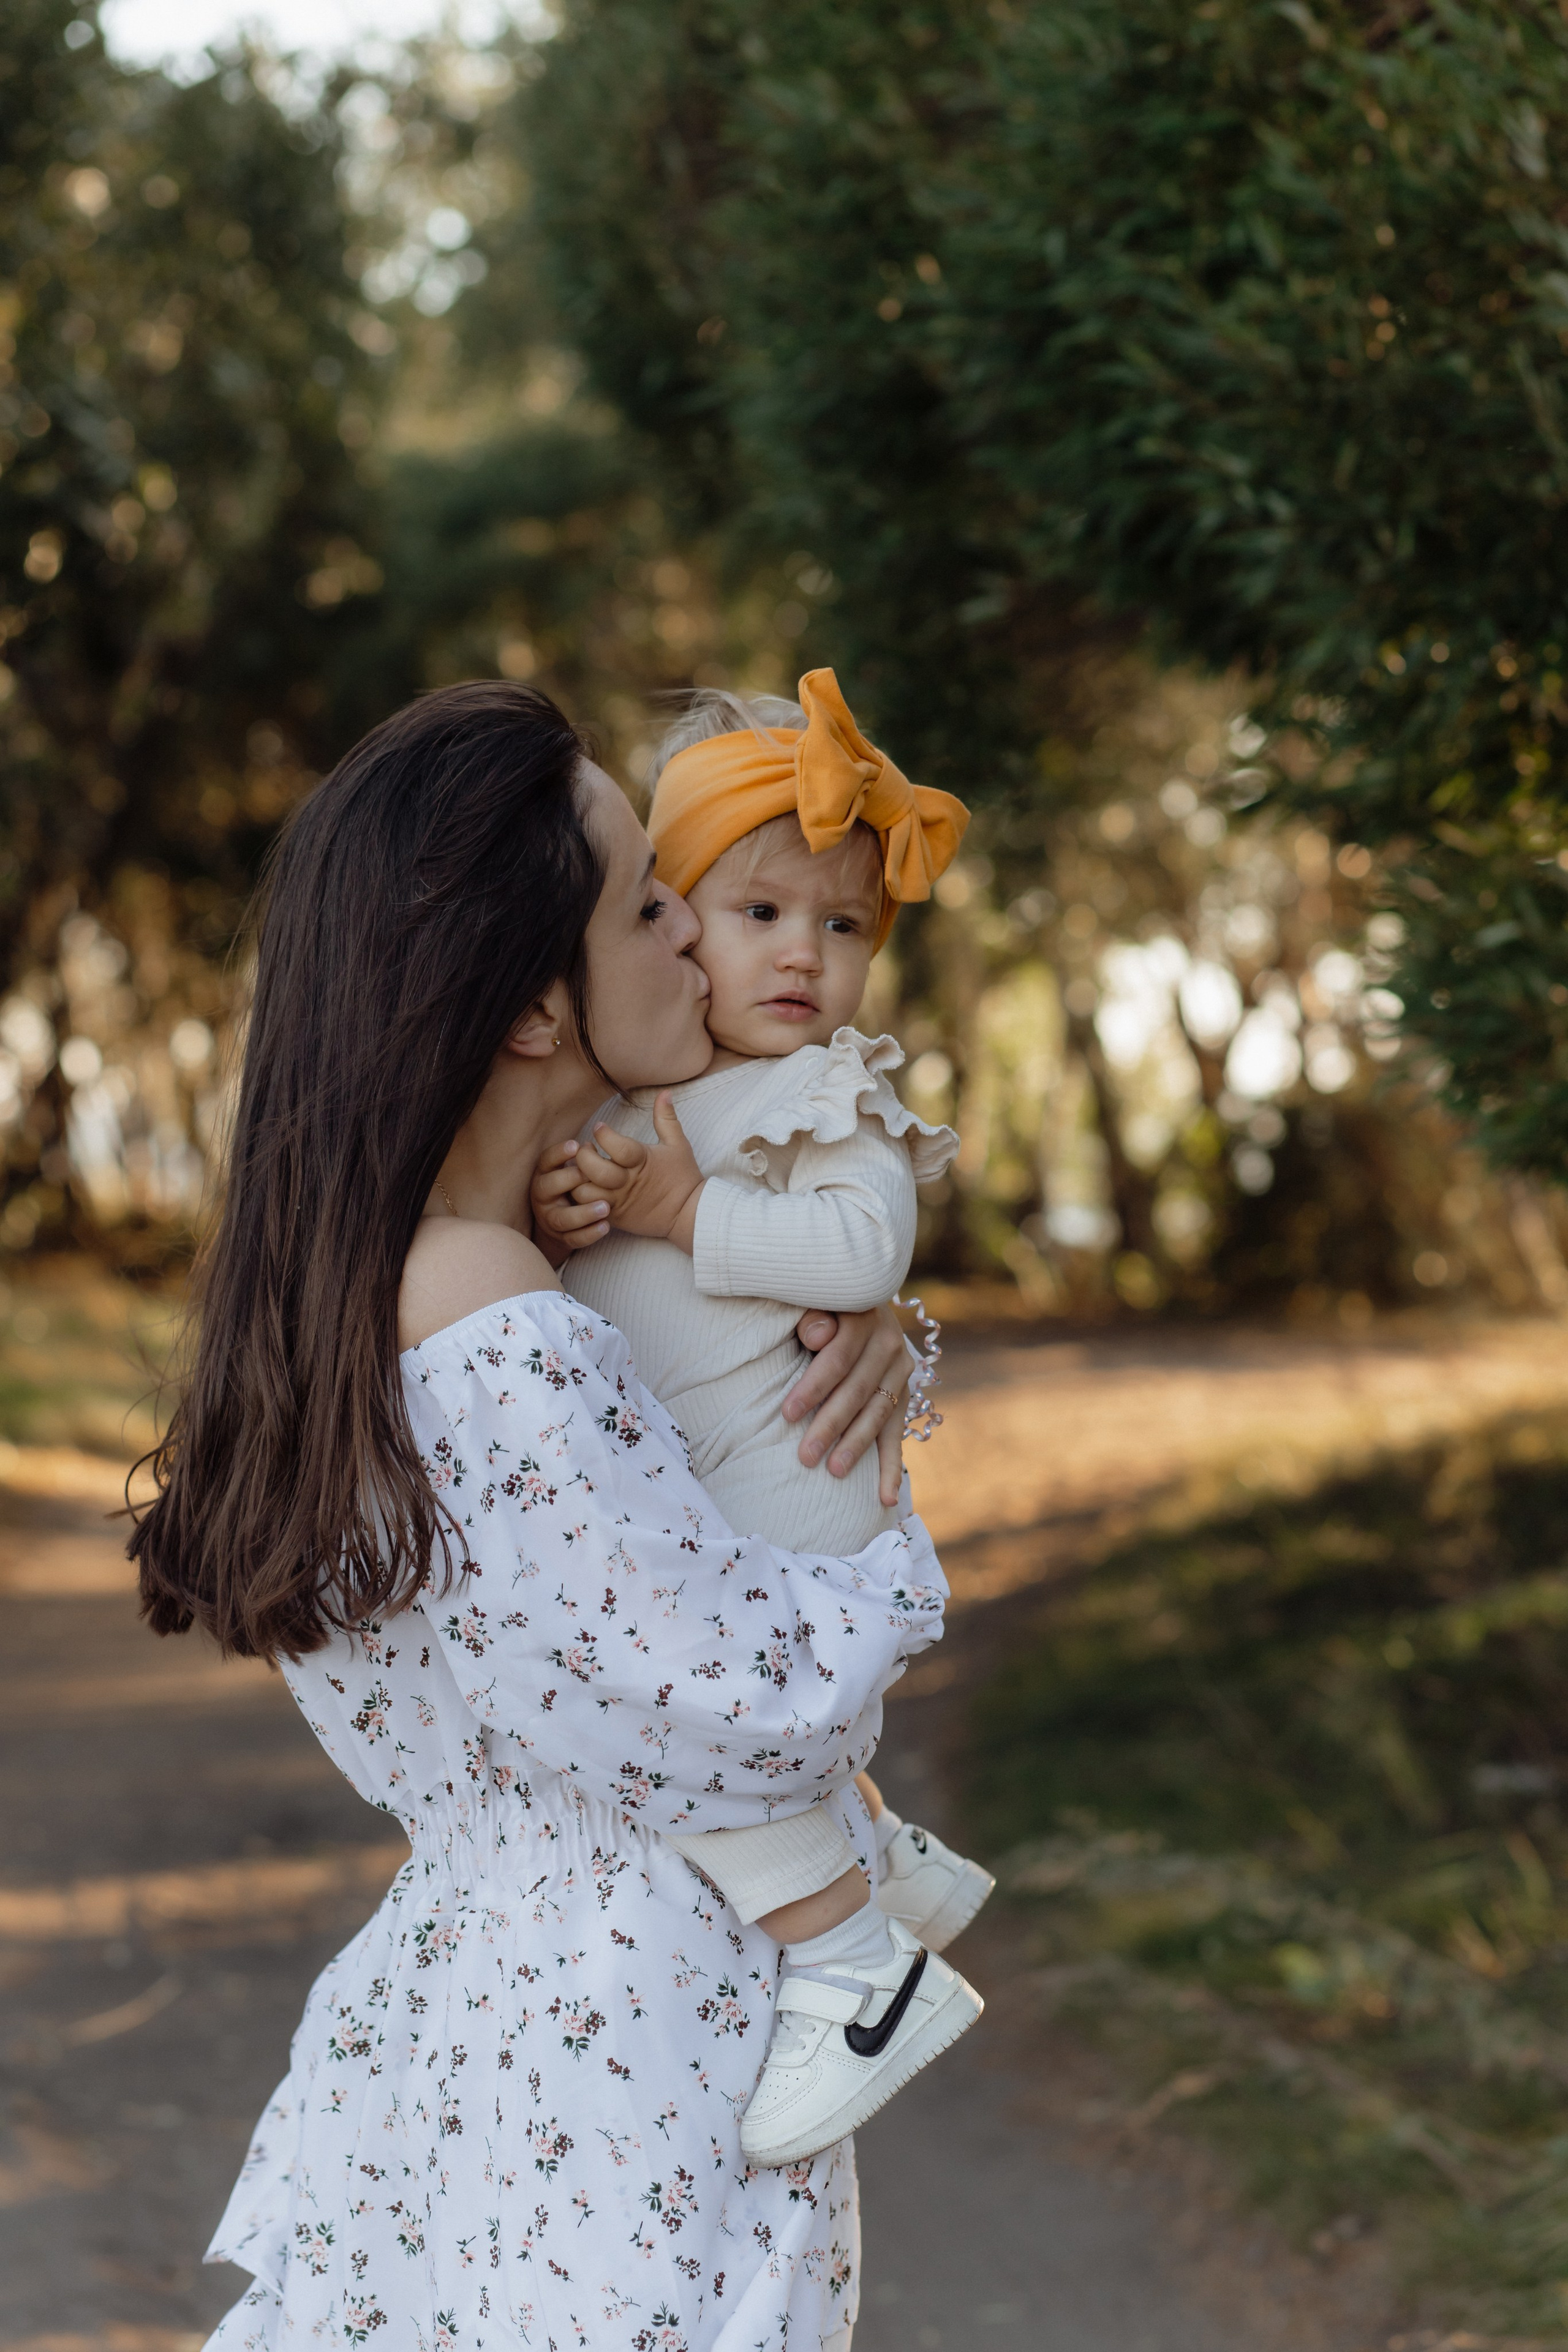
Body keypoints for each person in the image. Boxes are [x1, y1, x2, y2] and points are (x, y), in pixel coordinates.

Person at [130, 680, 956, 2352]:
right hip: (625, 2035)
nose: (696, 941)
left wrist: (869, 1334)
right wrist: (887, 1543)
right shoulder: (494, 1313)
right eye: (648, 903)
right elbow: (749, 1699)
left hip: (494, 2012)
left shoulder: (412, 1290)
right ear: (529, 1007)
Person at [531, 673, 993, 2168]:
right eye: (755, 915)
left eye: (842, 926)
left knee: (677, 1704)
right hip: (721, 1478)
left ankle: (857, 1965)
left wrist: (681, 1207)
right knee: (678, 1682)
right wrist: (577, 1206)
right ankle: (867, 1845)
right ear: (667, 916)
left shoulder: (819, 1092)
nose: (802, 954)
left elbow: (862, 1253)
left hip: (788, 1481)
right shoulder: (656, 1089)